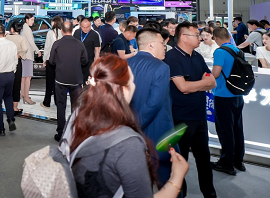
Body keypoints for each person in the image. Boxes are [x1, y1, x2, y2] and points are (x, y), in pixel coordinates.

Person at [63, 54, 189, 198]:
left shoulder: (77, 118)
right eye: (132, 82)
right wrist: (177, 177)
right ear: (123, 90)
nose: (134, 86)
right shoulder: (127, 143)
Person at [164, 22, 217, 198]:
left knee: (204, 160)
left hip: (199, 116)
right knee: (180, 162)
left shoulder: (197, 56)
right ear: (184, 37)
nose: (200, 38)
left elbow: (212, 82)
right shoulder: (172, 57)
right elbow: (183, 87)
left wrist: (193, 85)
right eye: (196, 35)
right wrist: (201, 84)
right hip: (180, 118)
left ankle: (210, 194)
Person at [127, 28, 175, 187]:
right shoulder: (161, 67)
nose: (165, 47)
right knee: (168, 182)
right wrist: (138, 125)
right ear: (151, 45)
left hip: (130, 134)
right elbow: (154, 103)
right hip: (158, 134)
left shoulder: (125, 64)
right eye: (162, 43)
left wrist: (132, 127)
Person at [210, 27, 246, 176]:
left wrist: (207, 77)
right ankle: (238, 160)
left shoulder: (220, 51)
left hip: (223, 95)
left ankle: (226, 163)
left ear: (216, 38)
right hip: (237, 94)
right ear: (230, 36)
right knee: (237, 128)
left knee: (225, 129)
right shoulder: (238, 51)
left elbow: (216, 73)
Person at [49, 21, 88, 142]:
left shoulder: (57, 44)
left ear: (61, 30)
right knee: (76, 107)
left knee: (61, 106)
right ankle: (74, 133)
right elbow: (85, 61)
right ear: (72, 30)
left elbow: (51, 61)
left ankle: (61, 133)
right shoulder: (79, 44)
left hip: (60, 79)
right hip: (76, 80)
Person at [6, 22, 28, 116]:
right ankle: (15, 108)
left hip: (7, 61)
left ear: (12, 29)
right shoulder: (21, 38)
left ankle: (8, 106)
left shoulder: (7, 37)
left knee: (8, 84)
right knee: (16, 84)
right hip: (17, 61)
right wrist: (19, 54)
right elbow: (25, 49)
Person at [41, 16, 63, 109]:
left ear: (54, 22)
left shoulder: (50, 33)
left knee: (49, 82)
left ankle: (47, 102)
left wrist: (44, 59)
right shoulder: (63, 32)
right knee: (58, 82)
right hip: (60, 61)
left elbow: (47, 47)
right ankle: (58, 102)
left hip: (51, 60)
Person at [20, 14, 41, 105]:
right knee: (28, 77)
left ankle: (23, 94)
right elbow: (31, 42)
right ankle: (26, 97)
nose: (33, 22)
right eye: (31, 20)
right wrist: (37, 51)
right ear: (27, 20)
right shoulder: (27, 29)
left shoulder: (24, 27)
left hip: (25, 55)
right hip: (27, 55)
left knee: (24, 77)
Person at [73, 18, 101, 82]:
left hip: (89, 61)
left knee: (87, 81)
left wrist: (96, 62)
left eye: (87, 27)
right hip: (77, 61)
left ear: (90, 25)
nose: (85, 29)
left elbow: (97, 50)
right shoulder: (77, 32)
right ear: (80, 26)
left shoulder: (95, 34)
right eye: (83, 27)